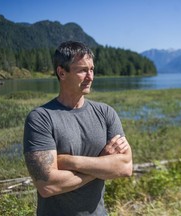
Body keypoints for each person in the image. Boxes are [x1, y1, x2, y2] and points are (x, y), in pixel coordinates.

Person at [23, 41, 133, 216]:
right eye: (82, 70)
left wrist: (70, 161)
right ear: (61, 73)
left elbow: (125, 167)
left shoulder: (105, 113)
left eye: (92, 69)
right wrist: (102, 164)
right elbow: (47, 185)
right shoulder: (40, 118)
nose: (90, 76)